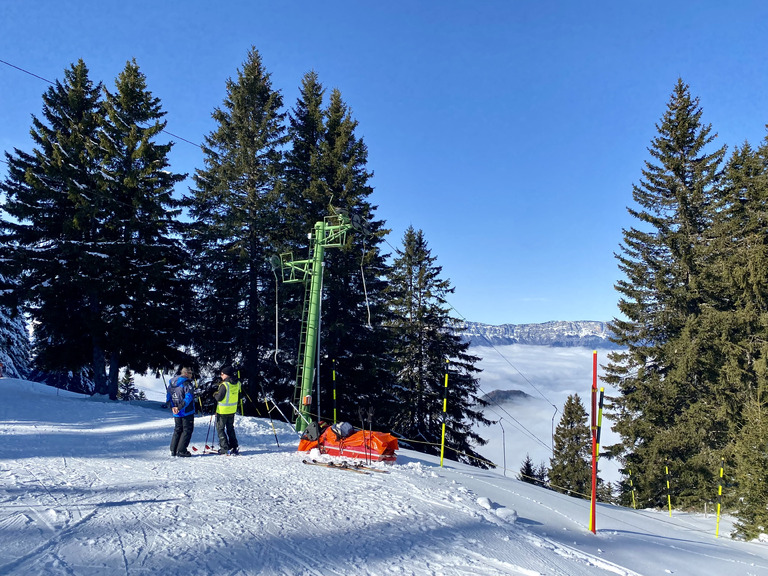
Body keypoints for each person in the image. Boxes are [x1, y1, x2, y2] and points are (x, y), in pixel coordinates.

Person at [166, 367, 195, 457]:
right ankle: (181, 450)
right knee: (187, 430)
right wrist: (180, 407)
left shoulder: (171, 383)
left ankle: (173, 449)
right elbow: (189, 397)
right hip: (186, 410)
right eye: (190, 373)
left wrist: (172, 406)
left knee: (178, 429)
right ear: (186, 373)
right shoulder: (186, 383)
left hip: (176, 410)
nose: (191, 375)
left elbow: (168, 396)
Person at [213, 365, 240, 455]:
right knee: (230, 428)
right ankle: (234, 446)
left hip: (223, 410)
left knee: (220, 429)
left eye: (222, 374)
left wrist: (215, 395)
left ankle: (225, 447)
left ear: (227, 375)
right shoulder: (237, 383)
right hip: (232, 410)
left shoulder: (224, 385)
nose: (221, 376)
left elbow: (219, 397)